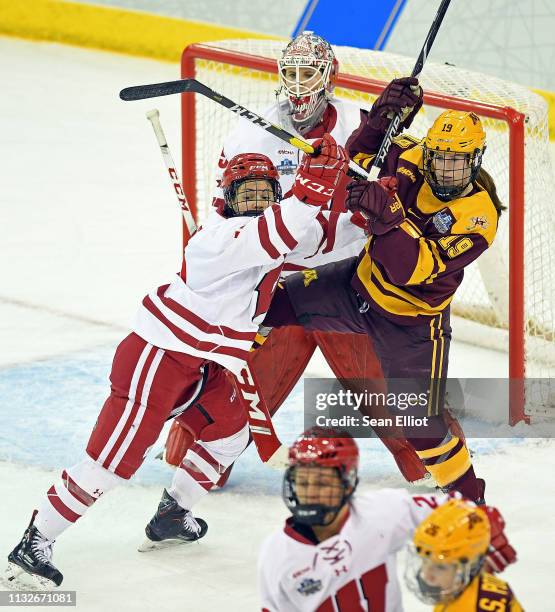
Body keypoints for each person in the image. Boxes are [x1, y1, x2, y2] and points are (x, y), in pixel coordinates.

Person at [5, 142, 351, 589]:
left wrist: (368, 207)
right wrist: (313, 183)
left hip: (201, 367)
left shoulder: (267, 236)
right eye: (247, 195)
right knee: (110, 464)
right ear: (227, 200)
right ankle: (36, 540)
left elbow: (323, 237)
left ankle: (173, 513)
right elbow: (280, 232)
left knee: (231, 433)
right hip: (156, 361)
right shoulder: (218, 240)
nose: (258, 204)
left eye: (266, 195)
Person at [164, 31, 428, 485]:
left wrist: (394, 121)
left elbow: (400, 179)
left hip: (347, 277)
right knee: (243, 394)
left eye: (310, 74)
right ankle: (199, 454)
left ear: (328, 79)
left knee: (383, 387)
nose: (299, 85)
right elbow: (229, 218)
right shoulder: (251, 134)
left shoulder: (355, 123)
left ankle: (432, 460)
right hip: (278, 281)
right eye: (292, 73)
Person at [263, 77, 506, 503]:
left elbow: (409, 269)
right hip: (357, 285)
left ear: (476, 160)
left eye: (458, 162)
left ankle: (471, 501)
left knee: (420, 424)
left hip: (411, 325)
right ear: (428, 152)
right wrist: (381, 120)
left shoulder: (478, 216)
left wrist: (385, 212)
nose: (447, 170)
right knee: (266, 303)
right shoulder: (411, 156)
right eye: (441, 159)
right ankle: (199, 386)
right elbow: (357, 160)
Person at [258, 428, 515, 611]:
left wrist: (484, 527)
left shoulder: (383, 511)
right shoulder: (277, 554)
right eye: (302, 481)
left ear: (347, 483)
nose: (309, 491)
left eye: (322, 482)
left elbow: (460, 510)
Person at [405, 499, 521, 610]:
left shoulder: (474, 607)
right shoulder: (458, 590)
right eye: (425, 560)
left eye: (440, 567)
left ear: (471, 566)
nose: (426, 574)